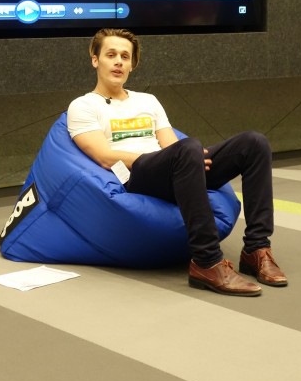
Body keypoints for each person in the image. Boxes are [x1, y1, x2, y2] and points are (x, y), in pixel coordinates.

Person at [67, 28, 287, 297]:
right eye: (110, 55)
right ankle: (207, 261)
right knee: (188, 148)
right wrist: (179, 157)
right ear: (95, 60)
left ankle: (256, 248)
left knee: (254, 143)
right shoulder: (83, 106)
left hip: (173, 169)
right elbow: (104, 156)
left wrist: (190, 159)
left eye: (125, 57)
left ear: (132, 65)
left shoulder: (148, 100)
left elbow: (171, 144)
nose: (118, 62)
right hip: (136, 175)